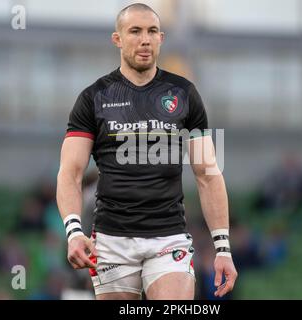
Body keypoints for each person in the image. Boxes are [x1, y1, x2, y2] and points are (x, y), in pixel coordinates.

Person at [56, 3, 237, 300]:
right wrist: (74, 231)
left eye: (152, 31)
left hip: (168, 236)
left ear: (161, 38)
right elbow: (71, 172)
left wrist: (223, 248)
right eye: (135, 31)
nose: (145, 39)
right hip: (112, 239)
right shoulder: (93, 98)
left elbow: (207, 173)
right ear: (117, 39)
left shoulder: (183, 93)